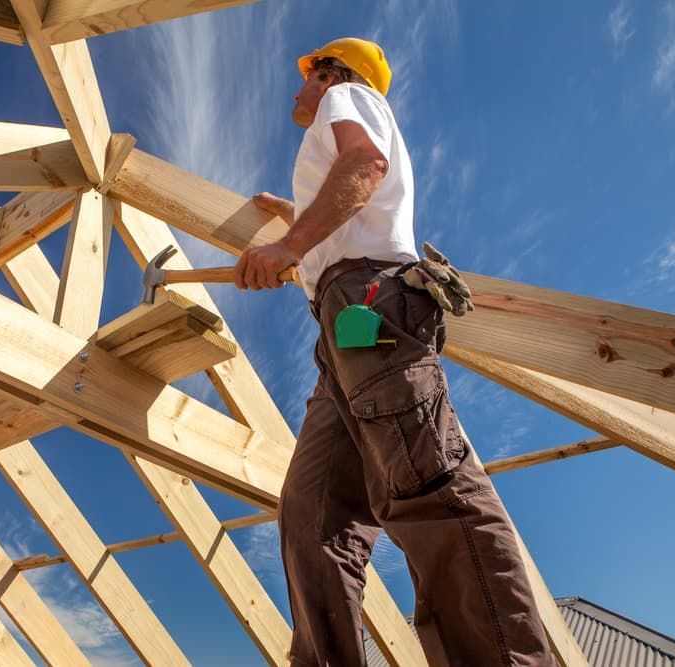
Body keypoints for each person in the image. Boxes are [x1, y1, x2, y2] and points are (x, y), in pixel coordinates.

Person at [233, 38, 555, 666]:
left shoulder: (348, 96)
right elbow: (351, 191)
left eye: (306, 76)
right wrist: (288, 215)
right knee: (312, 516)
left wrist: (290, 244)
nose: (296, 89)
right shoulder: (336, 122)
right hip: (342, 330)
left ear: (330, 73)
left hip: (370, 306)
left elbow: (364, 166)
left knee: (428, 487)